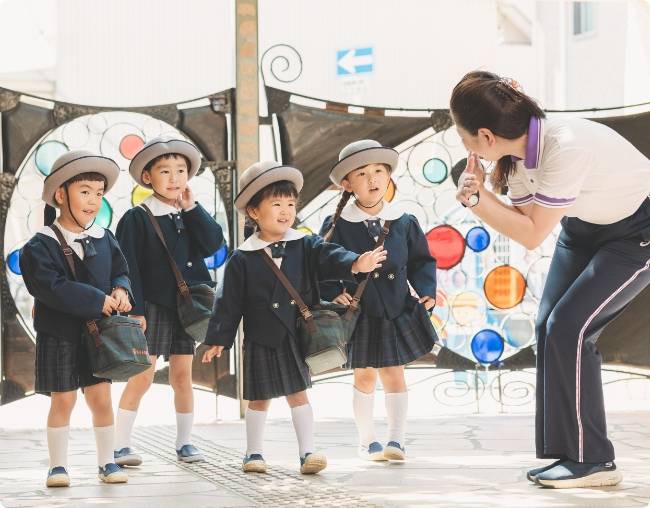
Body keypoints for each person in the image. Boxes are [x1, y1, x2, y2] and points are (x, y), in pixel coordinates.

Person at [451, 70, 650, 488]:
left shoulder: (565, 146)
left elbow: (531, 233)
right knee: (548, 327)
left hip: (637, 232)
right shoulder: (519, 156)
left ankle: (594, 461)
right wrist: (483, 195)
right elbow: (526, 222)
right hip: (584, 229)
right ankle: (570, 453)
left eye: (462, 132)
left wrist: (475, 198)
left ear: (485, 136)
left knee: (571, 327)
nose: (462, 141)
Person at [202, 160, 387, 474]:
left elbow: (330, 256)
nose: (285, 210)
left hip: (294, 333)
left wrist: (356, 263)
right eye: (276, 204)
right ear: (254, 212)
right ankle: (254, 453)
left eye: (290, 203)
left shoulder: (305, 244)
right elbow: (227, 303)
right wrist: (218, 339)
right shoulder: (241, 258)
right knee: (259, 399)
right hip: (260, 337)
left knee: (298, 395)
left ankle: (307, 452)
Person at [319, 140, 438, 462]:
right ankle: (367, 440)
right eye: (362, 173)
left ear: (388, 177)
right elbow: (320, 263)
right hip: (359, 312)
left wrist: (426, 290)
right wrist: (332, 292)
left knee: (394, 372)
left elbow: (421, 261)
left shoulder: (404, 220)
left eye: (379, 171)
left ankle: (396, 441)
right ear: (347, 184)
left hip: (395, 307)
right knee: (364, 375)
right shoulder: (336, 225)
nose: (372, 179)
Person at [20, 150, 132, 487]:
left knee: (101, 398)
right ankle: (57, 466)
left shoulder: (105, 237)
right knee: (63, 398)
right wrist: (98, 299)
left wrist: (122, 290)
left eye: (99, 193)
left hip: (100, 335)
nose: (93, 201)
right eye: (84, 191)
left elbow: (121, 271)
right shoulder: (39, 245)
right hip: (59, 333)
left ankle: (107, 462)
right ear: (60, 194)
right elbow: (51, 287)